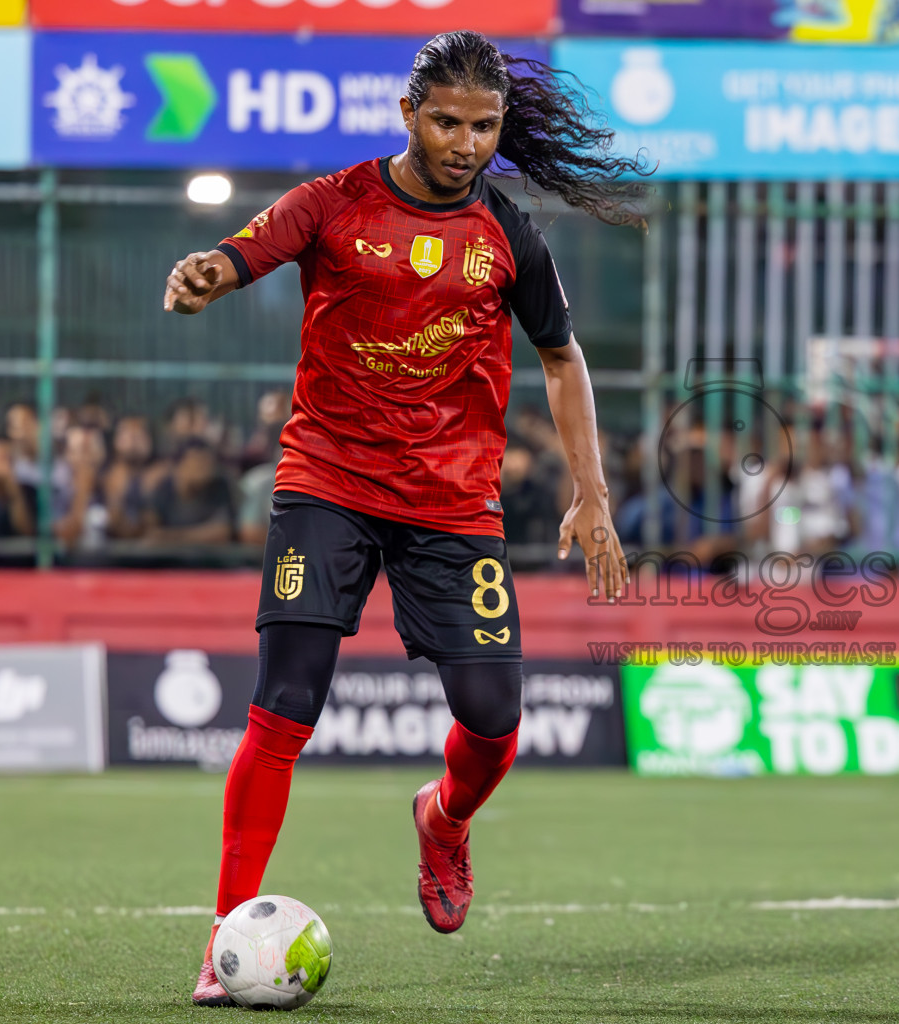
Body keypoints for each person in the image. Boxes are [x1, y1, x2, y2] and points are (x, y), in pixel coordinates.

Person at [161, 30, 641, 1007]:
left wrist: (592, 495)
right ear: (408, 114)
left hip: (452, 508)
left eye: (485, 125)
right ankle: (223, 934)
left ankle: (444, 820)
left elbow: (562, 358)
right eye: (449, 121)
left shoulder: (508, 234)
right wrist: (209, 272)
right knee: (283, 704)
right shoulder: (333, 203)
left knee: (494, 718)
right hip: (325, 488)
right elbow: (241, 252)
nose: (466, 142)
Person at [142, 438, 237, 546]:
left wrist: (172, 537)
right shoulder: (163, 488)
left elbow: (222, 533)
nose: (206, 470)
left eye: (208, 463)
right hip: (168, 559)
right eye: (198, 463)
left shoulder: (219, 486)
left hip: (209, 559)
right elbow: (150, 532)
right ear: (179, 466)